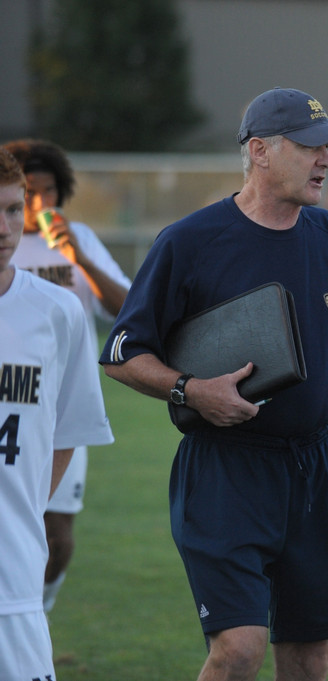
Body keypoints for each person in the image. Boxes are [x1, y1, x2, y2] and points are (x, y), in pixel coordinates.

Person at [99, 87, 328, 681]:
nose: (327, 160)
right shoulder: (188, 241)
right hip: (226, 470)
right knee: (239, 649)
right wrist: (192, 391)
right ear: (260, 151)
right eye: (311, 148)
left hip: (317, 467)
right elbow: (122, 353)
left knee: (309, 655)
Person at [2, 138, 132, 614]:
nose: (37, 204)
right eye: (26, 192)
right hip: (9, 401)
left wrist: (79, 256)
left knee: (56, 538)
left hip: (58, 413)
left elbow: (130, 312)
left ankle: (38, 615)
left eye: (48, 190)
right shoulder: (5, 235)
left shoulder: (76, 239)